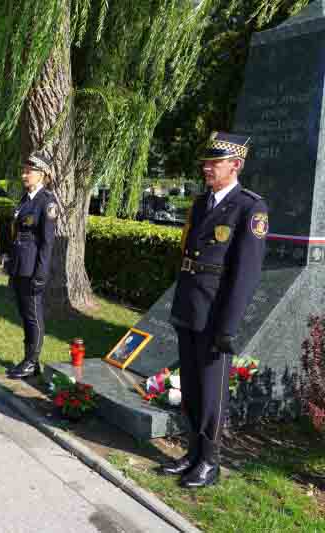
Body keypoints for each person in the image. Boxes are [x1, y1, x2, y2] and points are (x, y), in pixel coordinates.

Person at [161, 132, 268, 488]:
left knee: (211, 391)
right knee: (191, 386)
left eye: (214, 163)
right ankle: (193, 452)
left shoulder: (250, 208)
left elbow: (246, 275)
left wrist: (228, 326)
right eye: (206, 162)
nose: (206, 168)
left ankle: (210, 461)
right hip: (190, 306)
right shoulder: (200, 203)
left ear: (235, 165)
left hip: (215, 314)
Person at [6, 150, 58, 379]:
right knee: (24, 314)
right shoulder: (25, 199)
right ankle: (29, 360)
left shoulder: (47, 202)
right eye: (24, 171)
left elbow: (47, 243)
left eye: (29, 171)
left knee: (33, 315)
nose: (24, 175)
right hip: (20, 266)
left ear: (42, 174)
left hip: (33, 269)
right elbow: (18, 235)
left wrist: (41, 273)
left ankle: (32, 361)